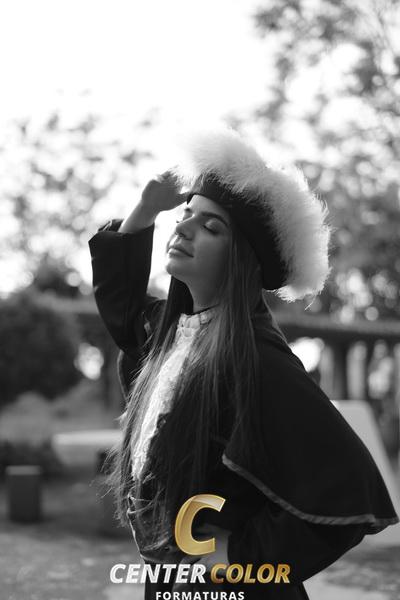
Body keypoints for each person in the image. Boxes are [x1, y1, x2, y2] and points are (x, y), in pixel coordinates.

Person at [88, 127, 399, 599]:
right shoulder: (170, 336)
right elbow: (121, 304)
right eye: (186, 216)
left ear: (242, 258)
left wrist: (238, 557)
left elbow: (349, 487)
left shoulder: (257, 359)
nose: (183, 228)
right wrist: (148, 206)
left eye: (211, 227)